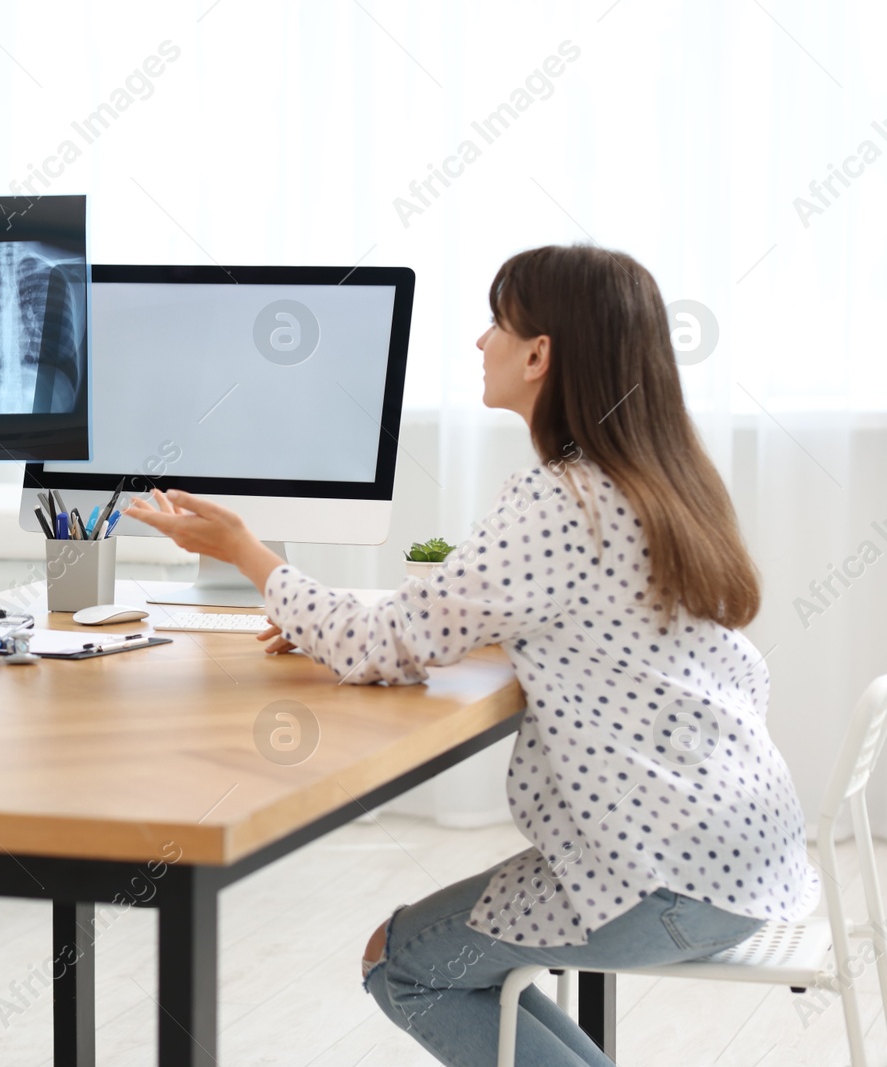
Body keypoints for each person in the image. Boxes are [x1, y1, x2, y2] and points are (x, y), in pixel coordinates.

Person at [126, 244, 818, 1067]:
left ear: (539, 354)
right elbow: (556, 618)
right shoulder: (660, 483)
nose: (478, 342)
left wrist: (249, 553)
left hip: (662, 881)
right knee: (452, 964)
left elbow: (386, 644)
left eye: (496, 323)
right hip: (751, 858)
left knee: (400, 960)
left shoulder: (560, 501)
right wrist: (318, 611)